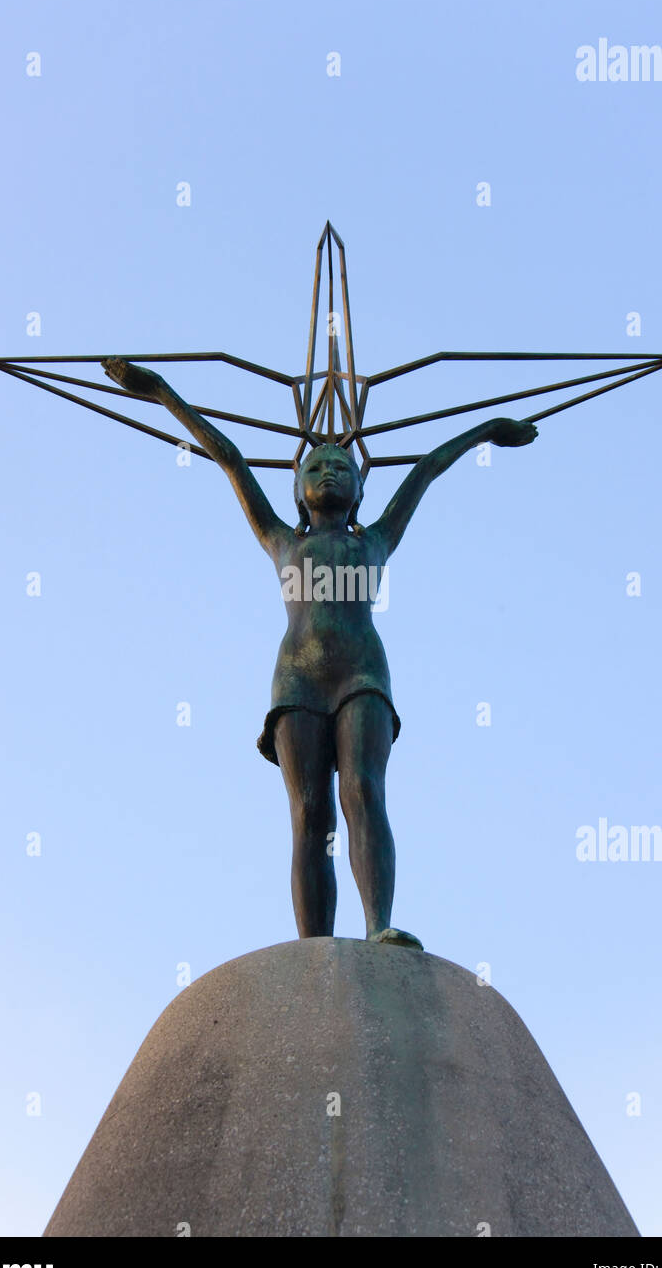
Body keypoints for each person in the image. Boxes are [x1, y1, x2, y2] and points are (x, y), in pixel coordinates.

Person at [102, 358, 537, 949]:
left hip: (361, 674)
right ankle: (313, 949)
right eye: (318, 466)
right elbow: (227, 455)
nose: (330, 471)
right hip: (298, 680)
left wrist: (489, 429)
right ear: (298, 487)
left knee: (363, 790)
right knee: (309, 812)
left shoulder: (377, 540)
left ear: (360, 489)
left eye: (342, 467)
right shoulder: (281, 539)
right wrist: (159, 391)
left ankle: (378, 925)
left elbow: (429, 469)